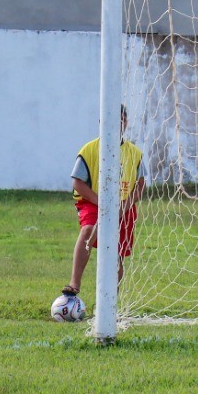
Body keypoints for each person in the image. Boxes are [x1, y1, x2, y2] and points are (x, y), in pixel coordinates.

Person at [64, 106, 146, 312]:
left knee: (116, 253)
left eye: (121, 119)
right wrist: (102, 203)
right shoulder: (89, 150)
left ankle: (110, 303)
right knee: (88, 230)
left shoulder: (134, 153)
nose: (117, 124)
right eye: (111, 119)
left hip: (123, 206)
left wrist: (123, 207)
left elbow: (140, 186)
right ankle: (74, 284)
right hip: (92, 202)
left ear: (126, 123)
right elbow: (78, 182)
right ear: (101, 122)